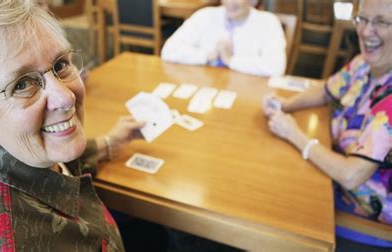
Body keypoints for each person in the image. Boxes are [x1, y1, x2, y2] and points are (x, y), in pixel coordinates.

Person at [0, 0, 146, 250]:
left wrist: (107, 144)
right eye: (22, 84)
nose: (66, 97)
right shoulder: (15, 242)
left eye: (60, 65)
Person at [263, 0, 391, 248]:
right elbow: (326, 89)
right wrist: (286, 104)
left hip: (361, 222)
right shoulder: (364, 63)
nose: (365, 31)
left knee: (269, 208)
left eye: (382, 22)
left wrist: (294, 134)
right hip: (328, 181)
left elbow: (351, 175)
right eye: (362, 19)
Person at [161, 0, 286, 77]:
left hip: (246, 93)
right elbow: (169, 51)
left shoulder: (268, 22)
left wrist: (231, 60)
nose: (229, 2)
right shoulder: (205, 15)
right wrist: (207, 55)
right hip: (205, 86)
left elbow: (276, 67)